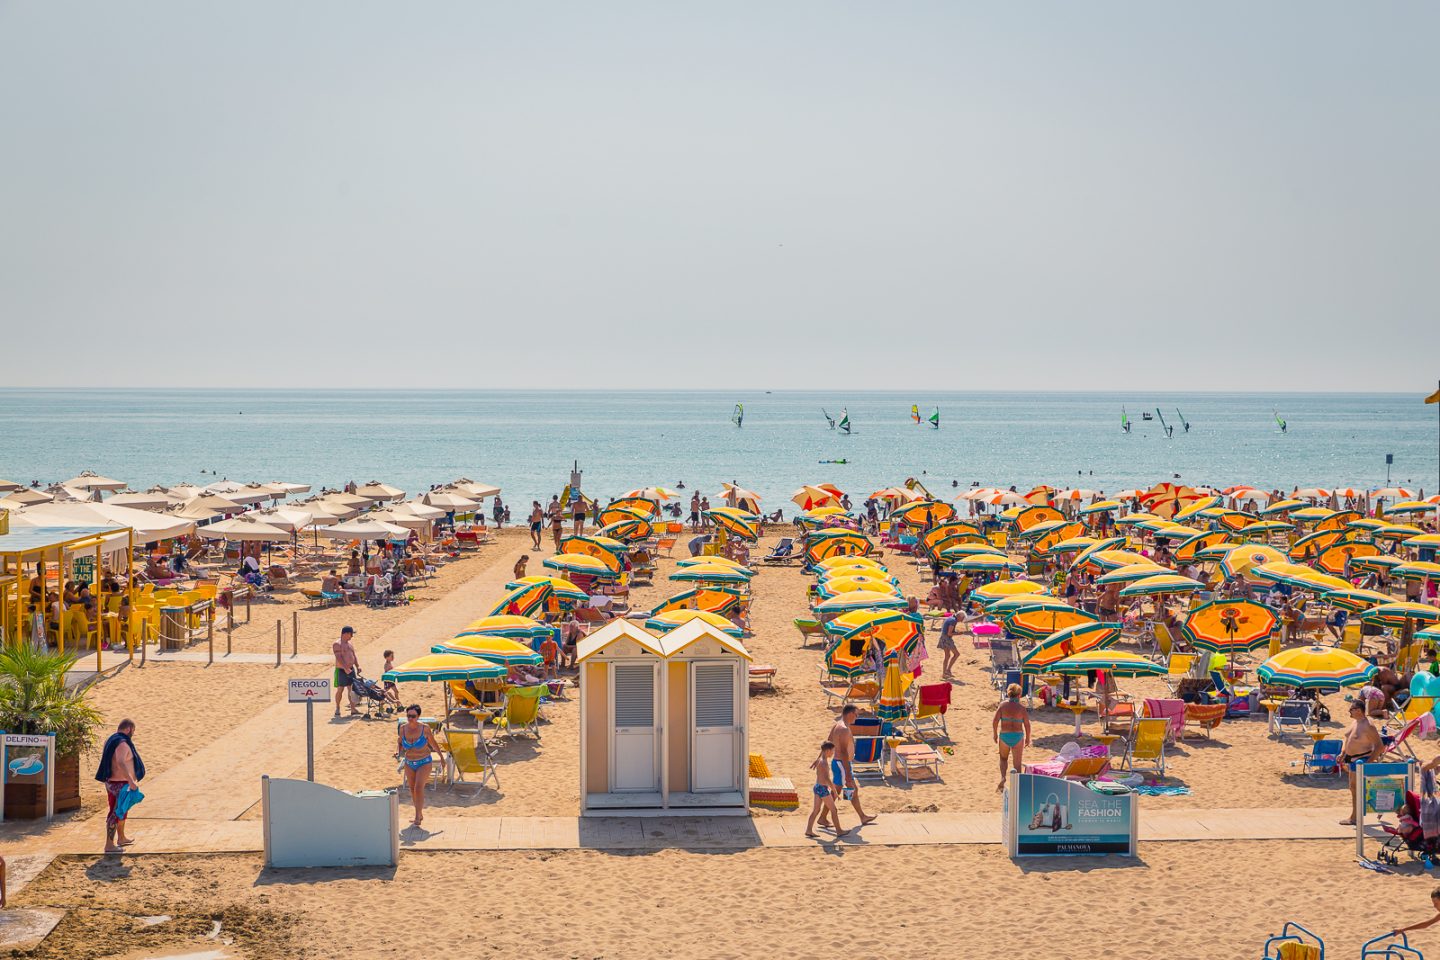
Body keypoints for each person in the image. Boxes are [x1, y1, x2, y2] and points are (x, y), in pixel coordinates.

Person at [95, 719, 144, 852]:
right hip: (119, 783)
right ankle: (109, 845)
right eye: (133, 730)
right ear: (129, 729)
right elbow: (121, 762)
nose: (133, 733)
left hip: (113, 782)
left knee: (122, 810)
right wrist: (131, 780)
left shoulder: (111, 740)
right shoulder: (122, 743)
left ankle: (121, 838)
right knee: (116, 812)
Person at [827, 705, 877, 828]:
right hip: (842, 765)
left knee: (841, 791)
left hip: (839, 764)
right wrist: (848, 774)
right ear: (850, 714)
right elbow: (843, 752)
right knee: (844, 790)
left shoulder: (838, 725)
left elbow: (828, 741)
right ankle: (861, 817)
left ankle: (862, 816)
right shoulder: (844, 729)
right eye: (856, 714)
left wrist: (822, 758)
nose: (857, 716)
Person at [1338, 699, 1384, 825]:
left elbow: (1380, 746)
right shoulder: (1355, 722)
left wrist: (1368, 763)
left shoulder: (1368, 725)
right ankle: (1360, 814)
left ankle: (1354, 818)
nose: (1349, 711)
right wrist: (1342, 753)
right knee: (1354, 788)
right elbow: (1347, 738)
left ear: (1358, 710)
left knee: (1358, 788)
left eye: (1351, 709)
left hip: (1362, 759)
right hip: (1351, 759)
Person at [396, 705, 442, 828]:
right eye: (408, 716)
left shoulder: (425, 729)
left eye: (413, 716)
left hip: (424, 761)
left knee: (418, 788)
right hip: (409, 762)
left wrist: (441, 758)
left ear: (418, 716)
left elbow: (433, 743)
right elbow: (400, 742)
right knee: (412, 789)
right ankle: (420, 813)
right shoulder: (402, 728)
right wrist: (397, 751)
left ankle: (417, 816)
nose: (410, 718)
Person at [993, 683, 1032, 791]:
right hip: (1018, 737)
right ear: (1019, 695)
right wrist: (1028, 738)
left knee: (1003, 758)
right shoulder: (1022, 708)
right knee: (1017, 764)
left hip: (1004, 735)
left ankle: (1003, 777)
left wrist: (995, 734)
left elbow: (995, 720)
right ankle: (1017, 787)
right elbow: (1027, 725)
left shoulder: (1002, 705)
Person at [805, 741, 848, 838]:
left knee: (816, 810)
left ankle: (808, 830)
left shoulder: (820, 760)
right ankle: (839, 831)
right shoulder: (824, 763)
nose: (833, 753)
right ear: (828, 750)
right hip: (823, 789)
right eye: (832, 751)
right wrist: (835, 792)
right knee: (834, 810)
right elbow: (827, 779)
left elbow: (822, 752)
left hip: (817, 787)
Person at [332, 626, 360, 718]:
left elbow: (353, 655)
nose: (352, 636)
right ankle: (337, 708)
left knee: (351, 689)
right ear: (346, 633)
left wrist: (357, 666)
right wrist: (345, 668)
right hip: (341, 670)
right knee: (340, 689)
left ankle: (353, 708)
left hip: (351, 669)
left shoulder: (350, 644)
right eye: (351, 634)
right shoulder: (337, 644)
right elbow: (338, 657)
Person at [937, 611, 960, 678]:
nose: (962, 620)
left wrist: (955, 632)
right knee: (956, 654)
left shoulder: (951, 618)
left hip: (943, 637)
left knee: (947, 656)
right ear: (959, 616)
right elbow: (949, 633)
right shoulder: (953, 621)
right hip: (947, 639)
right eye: (962, 618)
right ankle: (947, 670)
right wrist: (959, 634)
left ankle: (945, 673)